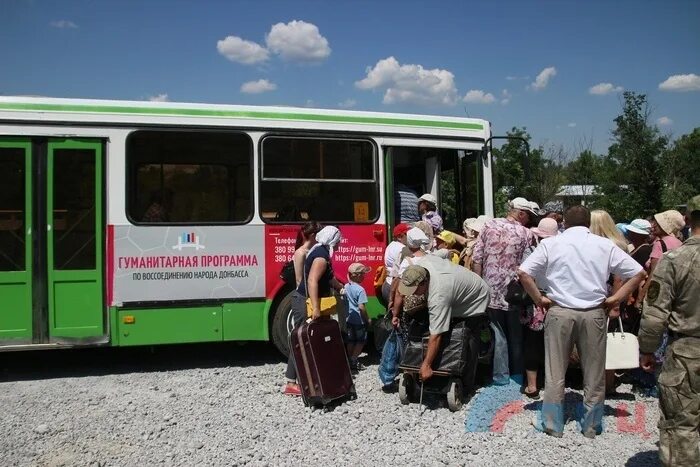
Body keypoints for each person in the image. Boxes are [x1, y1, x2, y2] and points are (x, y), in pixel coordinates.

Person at [518, 205, 645, 438]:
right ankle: (591, 425)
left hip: (560, 311)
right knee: (594, 371)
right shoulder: (604, 245)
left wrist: (539, 298)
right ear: (588, 222)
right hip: (594, 312)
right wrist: (616, 298)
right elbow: (638, 273)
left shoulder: (551, 244)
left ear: (564, 221)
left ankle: (552, 424)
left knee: (555, 370)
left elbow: (524, 272)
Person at [637, 194, 700, 467]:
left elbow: (655, 313)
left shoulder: (675, 259)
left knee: (681, 424)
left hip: (687, 353)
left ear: (687, 219)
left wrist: (647, 349)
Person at [395, 255, 491, 381]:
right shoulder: (424, 262)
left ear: (423, 283)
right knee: (441, 324)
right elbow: (444, 252)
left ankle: (468, 381)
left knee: (467, 335)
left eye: (414, 290)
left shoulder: (439, 295)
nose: (411, 293)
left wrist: (427, 365)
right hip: (455, 289)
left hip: (475, 298)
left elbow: (436, 335)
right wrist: (395, 314)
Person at [472, 197, 536, 385]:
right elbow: (528, 266)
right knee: (516, 335)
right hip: (514, 292)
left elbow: (477, 258)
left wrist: (480, 286)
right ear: (521, 213)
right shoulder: (526, 233)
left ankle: (500, 376)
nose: (530, 221)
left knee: (498, 333)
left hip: (490, 290)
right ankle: (517, 374)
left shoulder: (488, 225)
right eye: (529, 216)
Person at [519, 217, 559, 399]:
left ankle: (532, 385)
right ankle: (554, 384)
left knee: (532, 342)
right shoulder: (563, 250)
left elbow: (525, 274)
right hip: (558, 299)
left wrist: (536, 298)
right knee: (556, 344)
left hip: (537, 298)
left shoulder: (532, 251)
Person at [283, 221, 322, 396]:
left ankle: (305, 376)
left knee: (307, 338)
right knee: (299, 338)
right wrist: (310, 303)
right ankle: (291, 382)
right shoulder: (300, 253)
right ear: (313, 235)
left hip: (309, 299)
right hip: (302, 300)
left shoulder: (313, 251)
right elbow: (300, 281)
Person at [638, 210, 685, 304]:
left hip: (657, 295)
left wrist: (640, 297)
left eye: (658, 223)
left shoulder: (659, 244)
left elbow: (653, 274)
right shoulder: (680, 243)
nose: (653, 226)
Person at [344, 262, 371, 373]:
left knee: (351, 340)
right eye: (363, 274)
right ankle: (354, 360)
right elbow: (361, 307)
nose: (364, 276)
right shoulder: (360, 290)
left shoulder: (346, 286)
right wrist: (367, 319)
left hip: (349, 318)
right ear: (357, 275)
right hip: (359, 320)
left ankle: (348, 359)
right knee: (360, 341)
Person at [382, 223, 411, 304]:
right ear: (399, 237)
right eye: (407, 234)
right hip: (394, 286)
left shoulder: (392, 245)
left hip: (388, 284)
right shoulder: (401, 248)